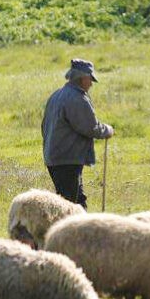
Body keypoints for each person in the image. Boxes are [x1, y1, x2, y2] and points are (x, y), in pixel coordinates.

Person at [41, 58, 114, 209]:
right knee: (70, 206)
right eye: (90, 79)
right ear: (82, 78)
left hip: (55, 157)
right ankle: (69, 231)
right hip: (67, 159)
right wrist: (107, 130)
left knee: (77, 201)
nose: (91, 83)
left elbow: (43, 127)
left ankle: (79, 229)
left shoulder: (57, 95)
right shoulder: (77, 98)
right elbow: (89, 127)